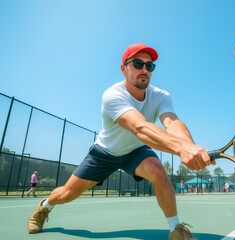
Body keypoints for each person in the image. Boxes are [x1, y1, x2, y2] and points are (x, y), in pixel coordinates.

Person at [27, 43, 214, 240]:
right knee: (66, 194)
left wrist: (190, 147)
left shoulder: (160, 95)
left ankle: (176, 231)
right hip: (104, 152)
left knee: (158, 171)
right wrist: (180, 149)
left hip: (136, 151)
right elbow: (139, 127)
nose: (144, 70)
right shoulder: (113, 95)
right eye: (138, 63)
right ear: (123, 68)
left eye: (149, 66)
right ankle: (45, 207)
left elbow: (172, 123)